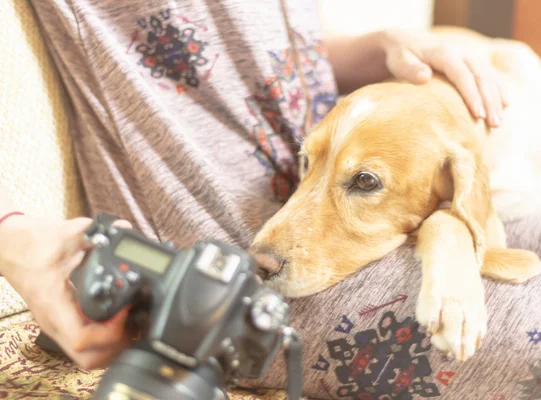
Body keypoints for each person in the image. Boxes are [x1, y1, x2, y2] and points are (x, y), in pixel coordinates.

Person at [0, 0, 509, 376]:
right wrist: (10, 237)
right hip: (216, 265)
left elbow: (253, 51)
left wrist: (382, 47)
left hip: (318, 191)